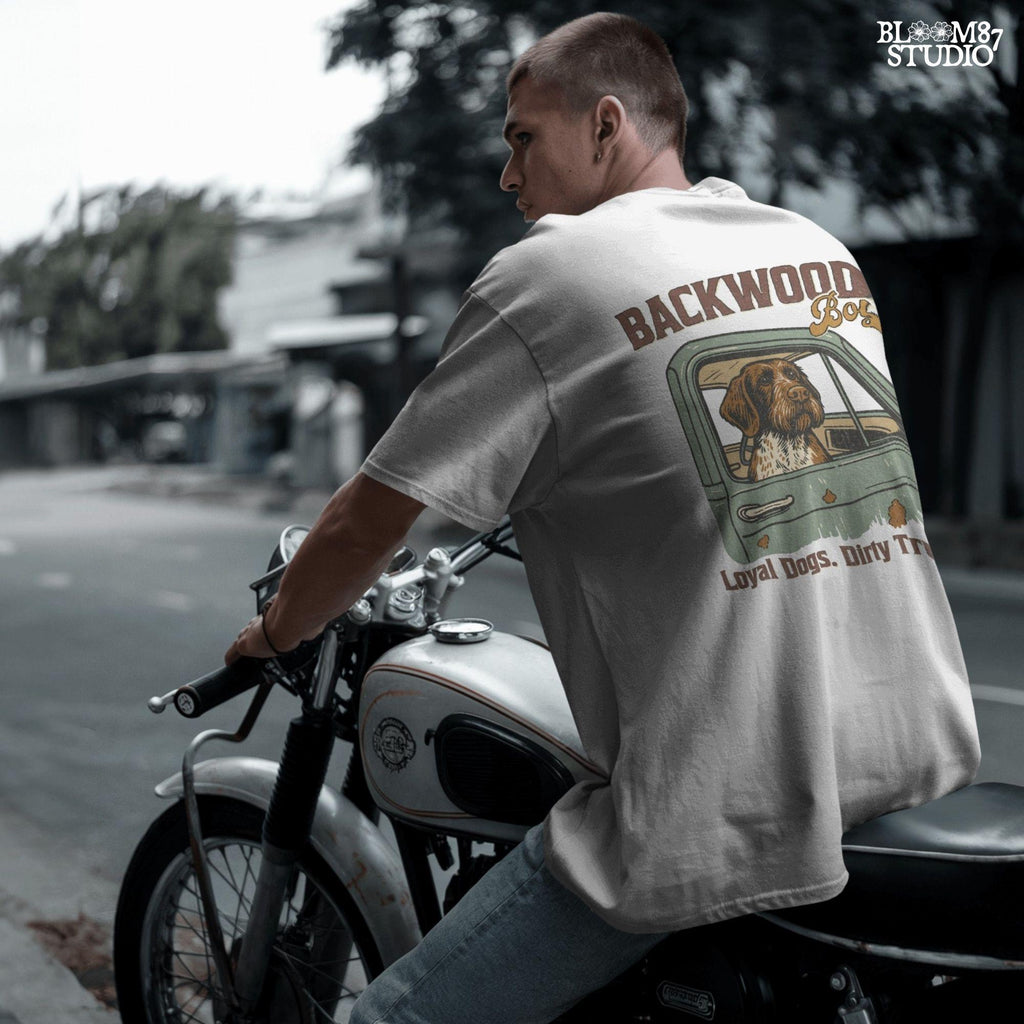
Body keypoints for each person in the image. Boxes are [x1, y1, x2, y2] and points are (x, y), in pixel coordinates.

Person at [226, 12, 980, 1023]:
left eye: (521, 137)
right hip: (910, 749)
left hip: (727, 804)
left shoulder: (552, 273)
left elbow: (370, 521)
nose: (508, 175)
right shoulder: (815, 250)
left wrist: (277, 629)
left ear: (606, 125)